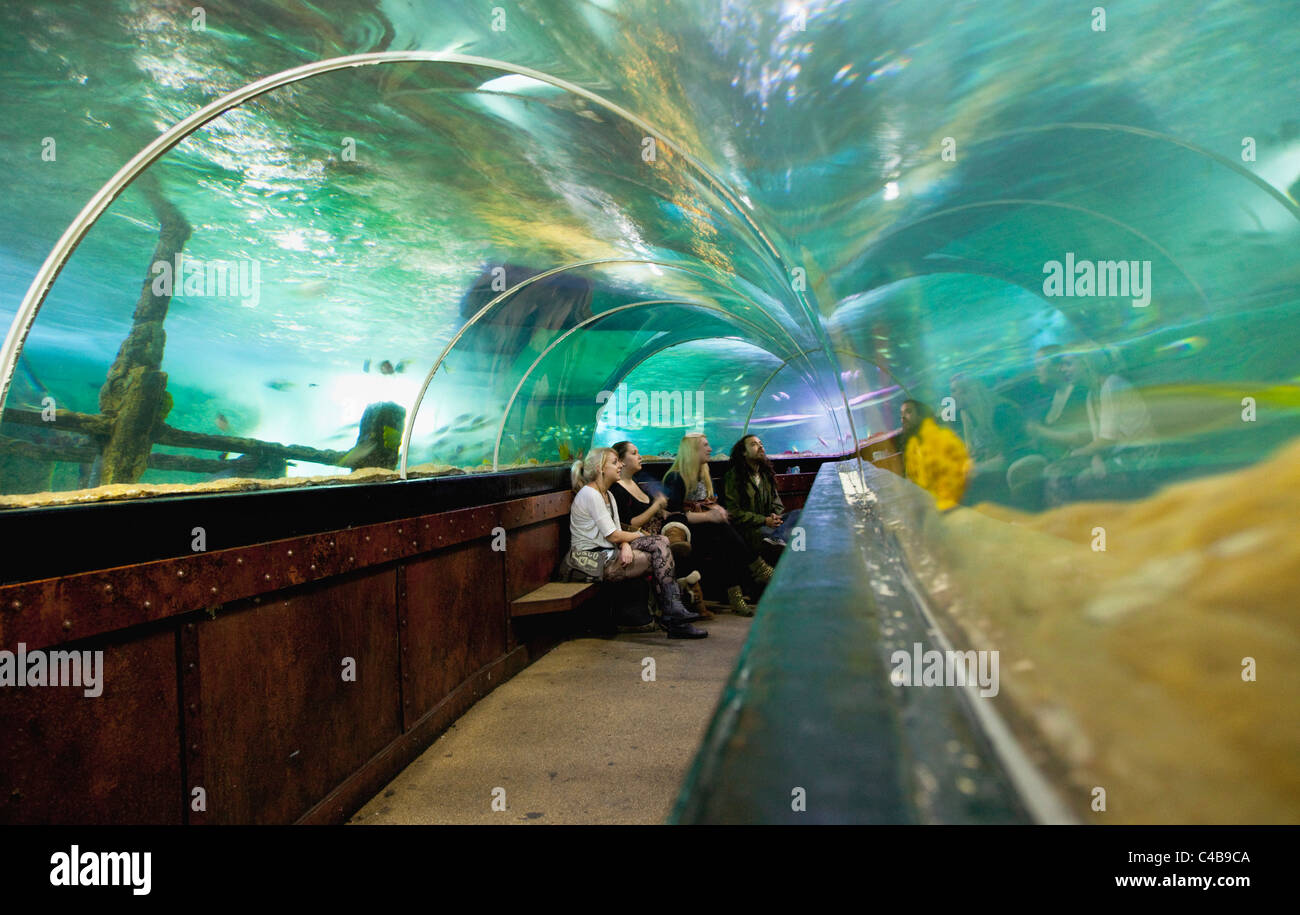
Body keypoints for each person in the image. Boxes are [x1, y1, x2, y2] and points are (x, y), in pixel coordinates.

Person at [568, 447, 707, 639]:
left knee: (661, 545)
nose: (620, 465)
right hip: (588, 560)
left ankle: (673, 614)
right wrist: (638, 536)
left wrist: (626, 546)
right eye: (615, 462)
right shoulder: (590, 494)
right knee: (660, 547)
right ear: (600, 468)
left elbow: (617, 533)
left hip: (608, 552)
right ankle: (674, 616)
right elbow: (615, 535)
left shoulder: (607, 495)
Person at [663, 433, 769, 617]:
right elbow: (676, 517)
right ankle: (758, 570)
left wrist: (717, 511)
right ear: (692, 451)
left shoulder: (704, 473)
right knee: (723, 531)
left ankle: (739, 594)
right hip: (687, 534)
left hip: (709, 531)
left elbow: (709, 504)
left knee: (724, 538)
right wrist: (710, 516)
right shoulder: (675, 477)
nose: (710, 449)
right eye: (705, 445)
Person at [1044, 345, 1159, 504]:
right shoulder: (1092, 395)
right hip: (1115, 453)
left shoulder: (1112, 385)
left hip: (1139, 456)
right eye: (1062, 365)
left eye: (1068, 364)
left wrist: (1078, 454)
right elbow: (1101, 438)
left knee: (1083, 480)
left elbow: (1108, 440)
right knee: (1055, 472)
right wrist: (1095, 457)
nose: (1062, 369)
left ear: (1086, 363)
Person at [610, 440, 708, 617]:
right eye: (634, 453)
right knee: (671, 541)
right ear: (621, 461)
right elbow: (630, 524)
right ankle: (679, 602)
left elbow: (653, 508)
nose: (640, 457)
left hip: (656, 533)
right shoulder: (617, 490)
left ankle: (684, 598)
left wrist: (662, 511)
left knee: (681, 519)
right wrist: (655, 507)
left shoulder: (635, 483)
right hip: (641, 537)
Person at [950, 374, 1029, 504]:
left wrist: (978, 464)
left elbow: (1008, 450)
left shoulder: (1002, 410)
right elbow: (970, 447)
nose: (953, 396)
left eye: (958, 391)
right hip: (990, 460)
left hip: (1013, 458)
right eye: (952, 391)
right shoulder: (966, 413)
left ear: (972, 390)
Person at [722, 435, 801, 559]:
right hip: (752, 529)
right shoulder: (734, 477)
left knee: (798, 514)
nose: (760, 447)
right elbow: (734, 513)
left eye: (761, 443)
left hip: (772, 524)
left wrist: (775, 515)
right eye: (754, 444)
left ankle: (778, 540)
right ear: (744, 452)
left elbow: (777, 503)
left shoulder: (766, 474)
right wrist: (764, 520)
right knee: (793, 536)